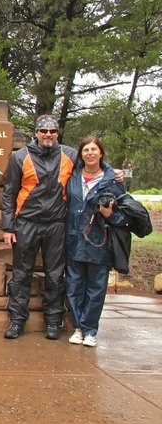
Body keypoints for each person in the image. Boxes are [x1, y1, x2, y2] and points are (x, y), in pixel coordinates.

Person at [1, 115, 78, 340]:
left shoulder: (70, 155)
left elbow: (95, 168)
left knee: (55, 275)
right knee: (21, 274)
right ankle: (17, 320)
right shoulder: (20, 157)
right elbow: (9, 193)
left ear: (57, 134)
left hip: (57, 223)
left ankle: (54, 320)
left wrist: (116, 174)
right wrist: (8, 226)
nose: (48, 135)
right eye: (43, 131)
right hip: (26, 222)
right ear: (36, 132)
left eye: (52, 131)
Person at [65, 137, 126, 347]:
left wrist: (109, 215)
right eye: (86, 150)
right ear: (81, 154)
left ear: (101, 153)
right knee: (74, 286)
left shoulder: (113, 181)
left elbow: (124, 216)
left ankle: (90, 330)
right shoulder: (71, 177)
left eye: (94, 149)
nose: (90, 153)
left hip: (99, 242)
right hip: (73, 239)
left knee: (96, 288)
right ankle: (78, 328)